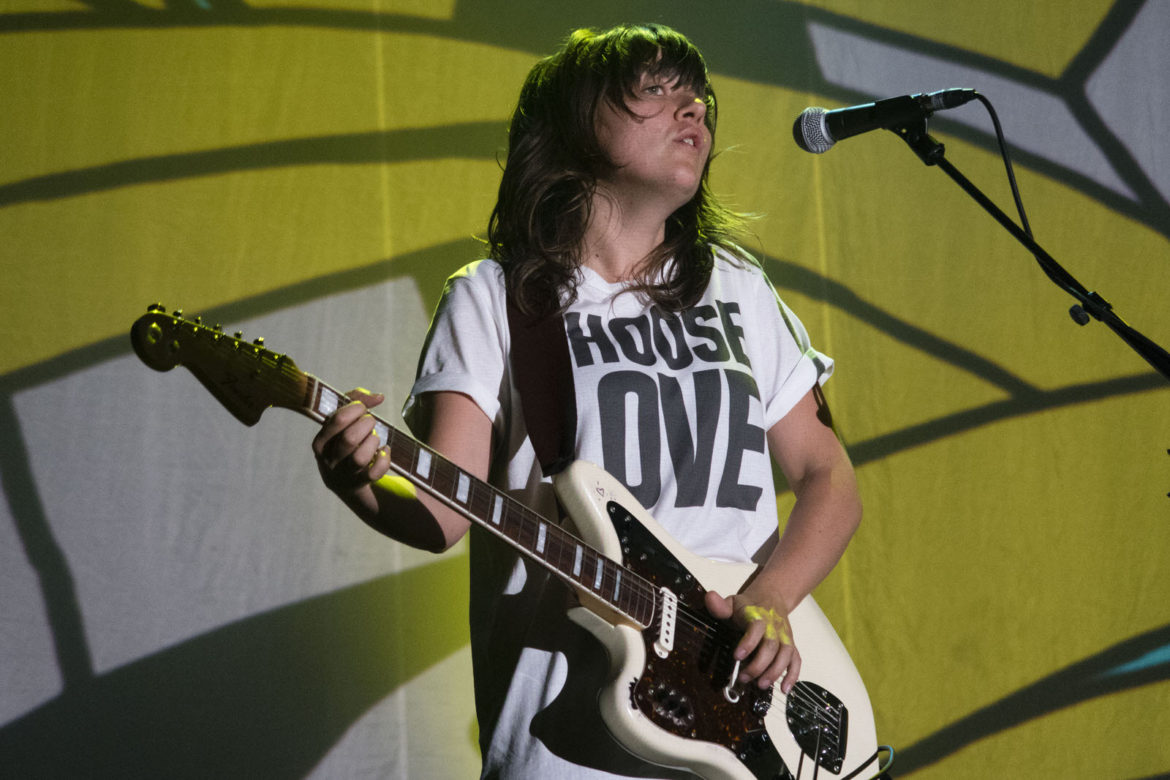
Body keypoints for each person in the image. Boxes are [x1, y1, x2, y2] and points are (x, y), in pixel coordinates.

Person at [312, 23, 863, 779]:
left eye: (697, 95)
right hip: (568, 747)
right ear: (574, 127)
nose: (693, 109)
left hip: (747, 726)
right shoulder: (495, 300)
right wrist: (357, 476)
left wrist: (771, 598)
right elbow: (443, 513)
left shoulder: (740, 290)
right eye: (655, 90)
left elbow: (830, 479)